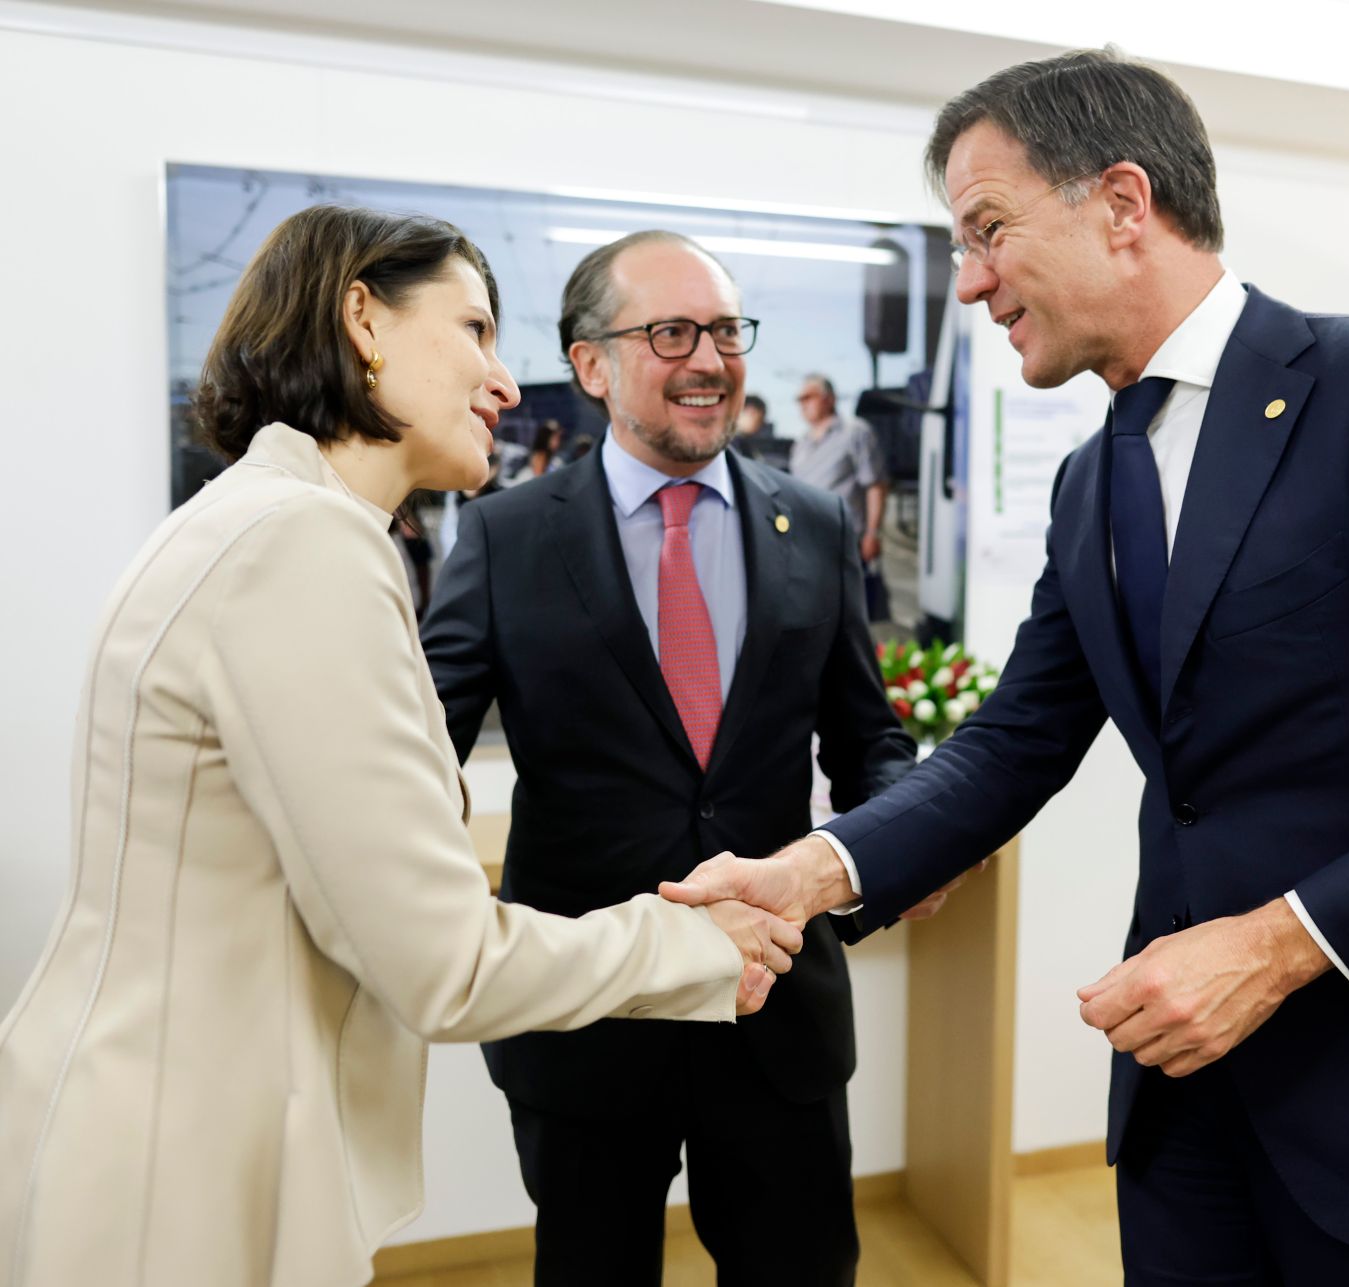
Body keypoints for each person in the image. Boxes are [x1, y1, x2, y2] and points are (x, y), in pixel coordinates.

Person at [662, 47, 1349, 1286]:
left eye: (985, 232)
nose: (969, 282)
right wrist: (813, 873)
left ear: (1123, 204)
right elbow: (1015, 739)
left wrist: (1279, 944)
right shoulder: (1093, 479)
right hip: (1182, 1090)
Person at [0, 206, 801, 1287]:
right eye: (473, 329)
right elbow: (444, 964)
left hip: (155, 1114)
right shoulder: (304, 544)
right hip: (184, 1160)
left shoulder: (254, 516)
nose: (505, 382)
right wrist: (700, 945)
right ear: (361, 318)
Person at [420, 229, 920, 1287]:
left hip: (775, 1012)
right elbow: (418, 742)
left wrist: (897, 848)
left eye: (726, 329)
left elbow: (866, 734)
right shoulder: (508, 537)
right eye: (671, 331)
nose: (709, 359)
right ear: (592, 364)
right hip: (588, 1016)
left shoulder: (816, 524)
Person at [791, 374, 891, 622]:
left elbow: (875, 485)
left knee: (849, 616)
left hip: (846, 541)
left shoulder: (855, 432)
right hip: (805, 544)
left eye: (809, 396)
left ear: (829, 399)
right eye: (799, 399)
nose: (803, 403)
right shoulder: (800, 444)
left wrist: (872, 533)